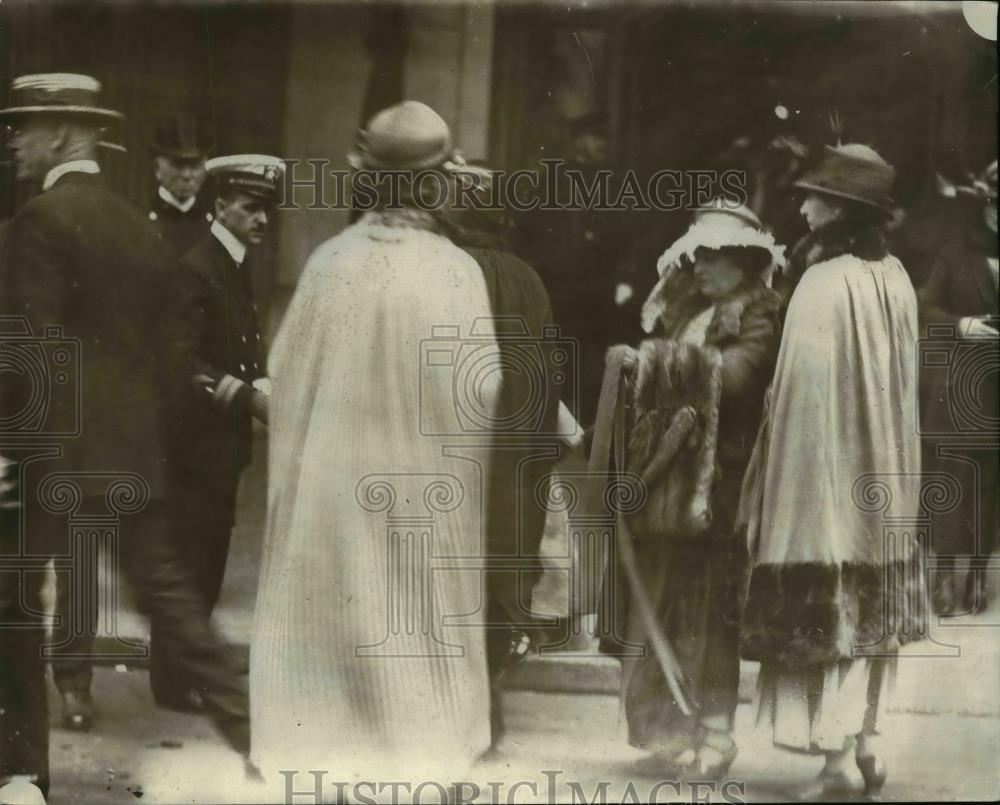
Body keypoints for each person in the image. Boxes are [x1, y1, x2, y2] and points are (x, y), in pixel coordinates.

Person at [0, 73, 250, 783]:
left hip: (48, 455)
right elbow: (162, 359)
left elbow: (31, 352)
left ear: (60, 135)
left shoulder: (37, 223)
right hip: (127, 453)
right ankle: (257, 735)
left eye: (22, 128)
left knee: (14, 611)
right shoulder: (137, 232)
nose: (12, 141)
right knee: (170, 601)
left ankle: (20, 776)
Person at [250, 101, 498, 785]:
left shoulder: (330, 263)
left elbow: (285, 376)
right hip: (419, 493)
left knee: (335, 626)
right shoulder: (454, 272)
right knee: (414, 629)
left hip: (334, 491)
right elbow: (482, 391)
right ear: (436, 183)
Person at [739, 144, 923, 800]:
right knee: (869, 605)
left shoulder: (822, 282)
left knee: (829, 600)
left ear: (842, 208)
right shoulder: (894, 276)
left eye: (815, 195)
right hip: (881, 473)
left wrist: (777, 477)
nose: (803, 202)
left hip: (824, 473)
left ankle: (837, 762)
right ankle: (866, 742)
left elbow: (801, 393)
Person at [618, 201, 783, 777]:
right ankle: (670, 727)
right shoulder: (688, 309)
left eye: (714, 257)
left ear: (745, 262)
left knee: (715, 609)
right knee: (669, 600)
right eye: (697, 256)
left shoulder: (761, 312)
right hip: (671, 478)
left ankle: (716, 734)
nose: (701, 267)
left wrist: (652, 363)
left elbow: (738, 378)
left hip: (723, 482)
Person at [154, 155, 278, 712]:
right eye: (251, 208)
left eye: (266, 210)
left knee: (207, 560)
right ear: (221, 205)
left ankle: (185, 672)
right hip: (195, 446)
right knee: (192, 560)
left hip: (219, 449)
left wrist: (265, 382)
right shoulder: (197, 267)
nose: (262, 220)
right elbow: (180, 363)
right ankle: (175, 679)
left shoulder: (234, 263)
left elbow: (239, 347)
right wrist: (246, 395)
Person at [448, 196, 569, 742]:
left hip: (462, 449)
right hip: (518, 453)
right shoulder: (529, 278)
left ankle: (462, 710)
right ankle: (487, 702)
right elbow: (547, 372)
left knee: (452, 568)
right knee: (501, 568)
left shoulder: (448, 271)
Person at [919, 159, 998, 616]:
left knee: (990, 488)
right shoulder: (956, 252)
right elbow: (924, 308)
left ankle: (977, 578)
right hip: (958, 388)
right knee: (951, 483)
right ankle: (945, 576)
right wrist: (961, 323)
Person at [147, 112, 214, 256]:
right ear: (157, 168)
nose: (186, 175)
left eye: (195, 165)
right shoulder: (138, 218)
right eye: (177, 165)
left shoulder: (215, 226)